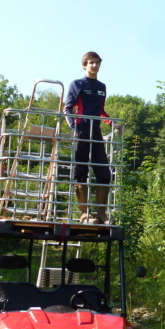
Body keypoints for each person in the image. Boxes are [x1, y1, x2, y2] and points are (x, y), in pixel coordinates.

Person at [64, 51, 120, 224]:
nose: (94, 65)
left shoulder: (102, 87)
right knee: (81, 172)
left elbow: (101, 111)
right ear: (84, 65)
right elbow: (68, 109)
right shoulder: (77, 84)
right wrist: (74, 128)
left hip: (95, 132)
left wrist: (112, 124)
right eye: (91, 63)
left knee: (104, 173)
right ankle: (84, 214)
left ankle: (101, 213)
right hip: (81, 129)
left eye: (97, 63)